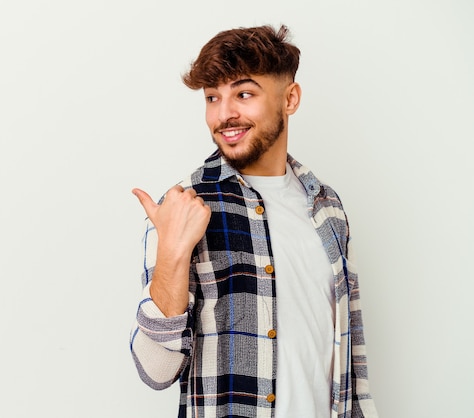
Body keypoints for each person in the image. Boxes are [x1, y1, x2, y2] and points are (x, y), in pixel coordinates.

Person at [129, 24, 378, 418]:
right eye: (213, 97)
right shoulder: (183, 206)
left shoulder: (327, 206)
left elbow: (351, 354)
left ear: (290, 98)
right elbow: (156, 370)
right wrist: (173, 254)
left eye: (244, 94)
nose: (224, 114)